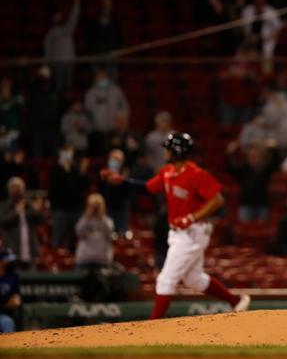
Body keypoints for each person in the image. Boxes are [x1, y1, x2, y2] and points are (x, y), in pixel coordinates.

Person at [102, 132, 251, 318]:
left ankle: (152, 327)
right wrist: (123, 181)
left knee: (166, 280)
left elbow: (217, 200)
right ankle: (236, 301)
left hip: (192, 232)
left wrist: (192, 217)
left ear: (177, 151)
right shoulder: (168, 172)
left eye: (168, 149)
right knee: (193, 279)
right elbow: (148, 188)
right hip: (179, 233)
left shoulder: (196, 174)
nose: (165, 152)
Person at [48, 145, 90, 249]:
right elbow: (56, 189)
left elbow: (84, 187)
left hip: (76, 209)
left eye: (70, 152)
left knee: (76, 240)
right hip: (60, 210)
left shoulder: (76, 169)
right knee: (58, 239)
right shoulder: (55, 169)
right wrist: (65, 172)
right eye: (65, 152)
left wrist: (83, 172)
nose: (68, 155)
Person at [0, 177, 46, 270]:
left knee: (31, 280)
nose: (17, 191)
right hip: (12, 251)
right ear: (9, 190)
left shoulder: (28, 205)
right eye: (14, 189)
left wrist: (38, 209)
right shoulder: (4, 206)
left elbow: (41, 220)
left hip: (30, 250)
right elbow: (3, 221)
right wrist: (17, 211)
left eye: (19, 188)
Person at [44, 0, 81, 91]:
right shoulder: (50, 34)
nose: (58, 17)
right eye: (56, 16)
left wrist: (77, 4)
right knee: (58, 87)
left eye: (59, 15)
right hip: (58, 62)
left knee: (69, 86)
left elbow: (73, 18)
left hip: (69, 61)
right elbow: (47, 50)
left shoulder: (67, 29)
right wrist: (47, 64)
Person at [241, 0, 283, 74]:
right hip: (251, 40)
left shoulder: (270, 11)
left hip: (266, 41)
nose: (259, 1)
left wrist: (271, 37)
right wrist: (248, 37)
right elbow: (243, 28)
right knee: (244, 57)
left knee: (267, 61)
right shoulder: (247, 10)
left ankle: (266, 75)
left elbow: (279, 28)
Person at [75, 193, 114, 271]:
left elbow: (109, 233)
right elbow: (78, 232)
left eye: (97, 205)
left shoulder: (106, 221)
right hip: (85, 258)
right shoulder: (84, 220)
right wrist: (87, 217)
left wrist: (101, 217)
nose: (95, 208)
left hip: (102, 258)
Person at [99, 149, 130, 235]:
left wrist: (121, 180)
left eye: (118, 159)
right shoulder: (103, 174)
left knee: (121, 235)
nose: (115, 162)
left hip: (121, 210)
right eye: (113, 159)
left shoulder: (126, 174)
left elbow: (128, 193)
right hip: (107, 209)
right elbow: (101, 192)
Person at [0, 248, 20, 333]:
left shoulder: (13, 277)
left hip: (3, 314)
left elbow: (16, 299)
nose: (11, 263)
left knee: (7, 322)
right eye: (8, 260)